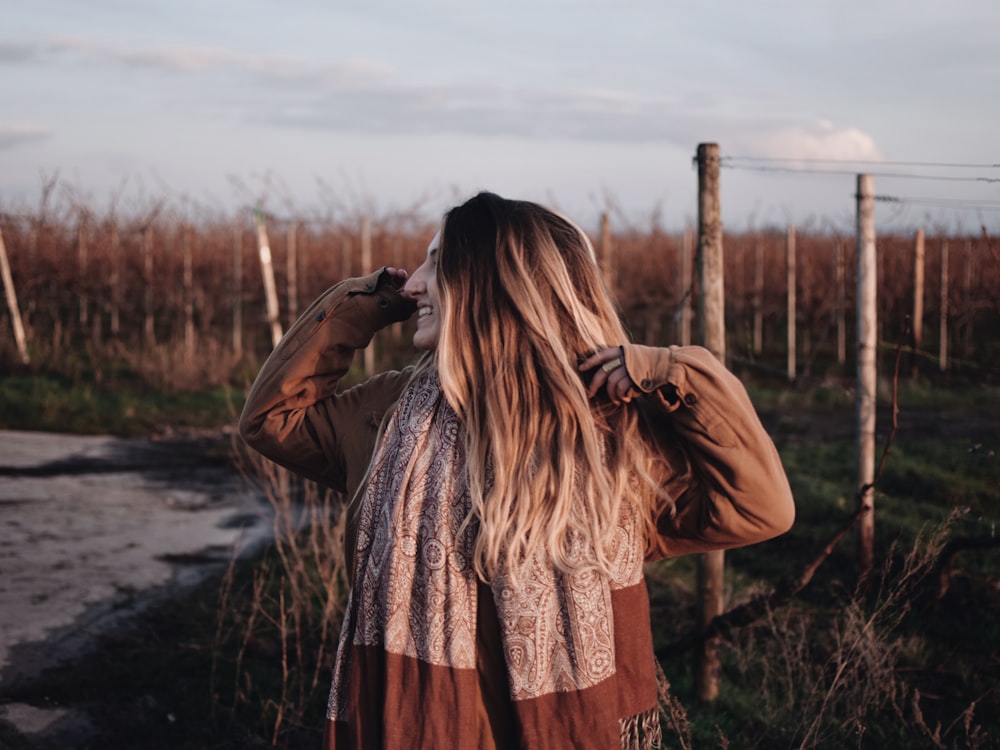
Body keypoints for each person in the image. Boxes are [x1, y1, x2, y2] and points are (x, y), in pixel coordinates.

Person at [239, 191, 795, 750]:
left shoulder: (607, 434)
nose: (412, 285)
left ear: (491, 281)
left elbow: (758, 509)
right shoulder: (388, 415)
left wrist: (676, 372)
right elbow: (272, 419)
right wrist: (368, 300)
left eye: (437, 263)